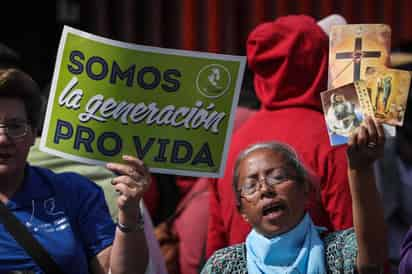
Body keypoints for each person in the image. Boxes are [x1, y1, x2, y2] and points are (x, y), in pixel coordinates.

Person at [206, 14, 354, 258]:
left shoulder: (229, 143)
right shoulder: (334, 137)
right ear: (319, 62)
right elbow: (355, 244)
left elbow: (216, 245)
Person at [0, 68, 149, 274]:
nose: (3, 139)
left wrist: (130, 214)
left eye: (15, 126)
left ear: (33, 134)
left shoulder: (74, 192)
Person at [202, 116, 387, 273]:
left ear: (305, 189)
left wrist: (360, 169)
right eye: (251, 186)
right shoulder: (223, 266)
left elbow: (371, 259)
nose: (265, 190)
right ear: (242, 210)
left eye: (278, 177)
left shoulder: (338, 251)